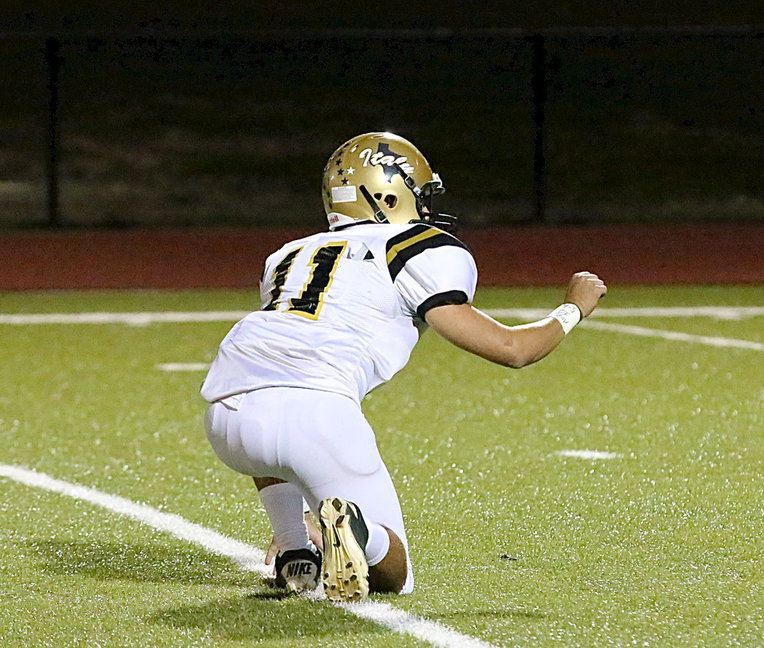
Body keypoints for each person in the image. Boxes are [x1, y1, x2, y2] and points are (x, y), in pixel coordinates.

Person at [201, 131, 606, 602]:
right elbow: (512, 350)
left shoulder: (289, 254)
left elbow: (276, 368)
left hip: (226, 418)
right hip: (311, 414)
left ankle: (295, 549)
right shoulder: (421, 247)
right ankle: (356, 531)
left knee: (274, 385)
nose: (425, 205)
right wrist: (572, 309)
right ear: (388, 192)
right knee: (392, 575)